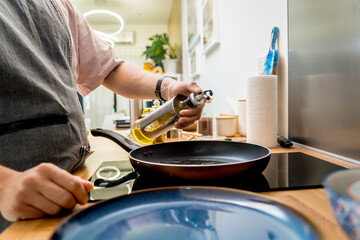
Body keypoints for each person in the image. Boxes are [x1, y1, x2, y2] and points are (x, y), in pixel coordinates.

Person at [0, 0, 203, 231]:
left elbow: (109, 69)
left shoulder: (58, 5)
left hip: (76, 184)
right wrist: (5, 184)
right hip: (15, 210)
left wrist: (167, 87)